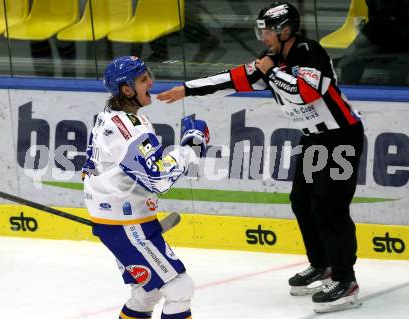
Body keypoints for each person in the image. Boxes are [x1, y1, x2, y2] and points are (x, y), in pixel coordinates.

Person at [157, 1, 364, 314]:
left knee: (329, 207)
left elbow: (309, 92)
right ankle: (322, 265)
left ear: (285, 30)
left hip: (341, 138)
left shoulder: (309, 52)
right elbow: (233, 78)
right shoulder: (273, 60)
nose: (263, 36)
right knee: (302, 201)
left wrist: (272, 72)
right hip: (315, 139)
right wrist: (187, 89)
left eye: (267, 30)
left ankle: (346, 280)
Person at [81, 56, 210, 319]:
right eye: (142, 80)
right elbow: (159, 180)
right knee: (180, 288)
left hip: (119, 219)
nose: (150, 81)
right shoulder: (130, 130)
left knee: (147, 292)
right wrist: (192, 146)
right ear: (127, 89)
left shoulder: (110, 116)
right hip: (126, 224)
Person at [339, 0, 409, 85]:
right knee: (349, 58)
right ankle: (345, 92)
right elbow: (376, 14)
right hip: (380, 27)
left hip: (402, 29)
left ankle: (395, 90)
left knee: (400, 63)